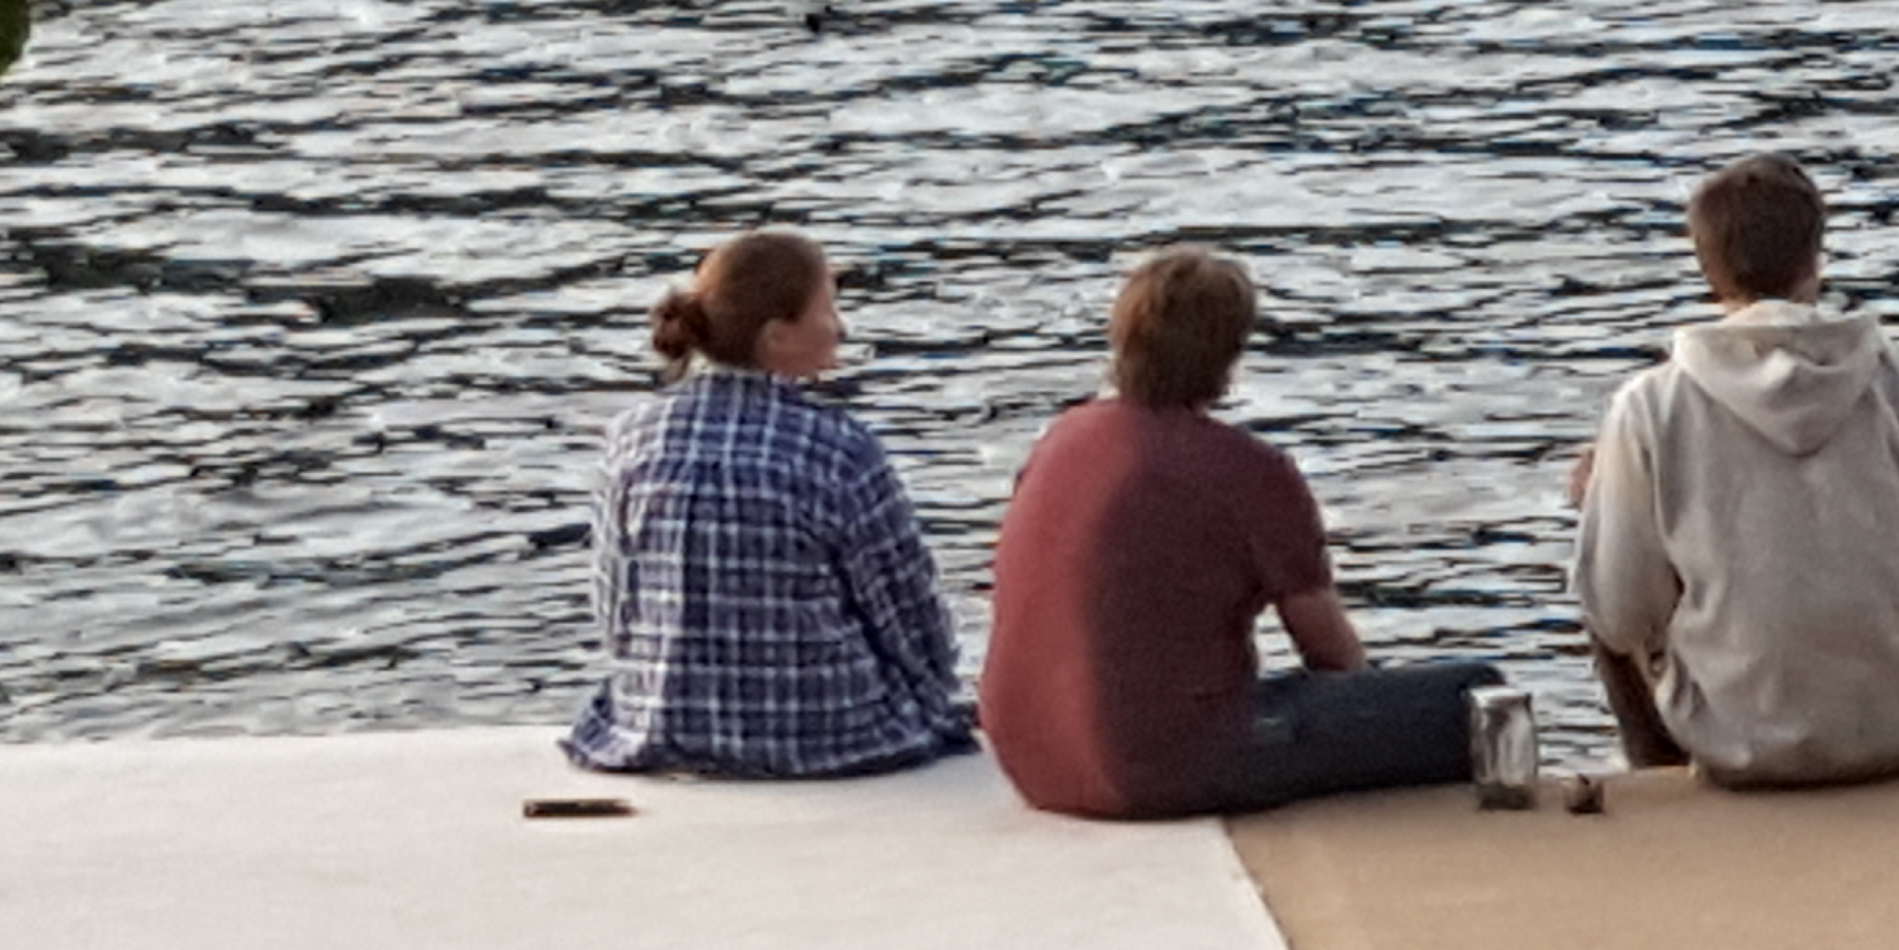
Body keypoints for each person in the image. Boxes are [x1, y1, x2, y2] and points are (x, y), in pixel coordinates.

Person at [979, 246, 1501, 820]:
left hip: (1033, 757)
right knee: (1475, 696)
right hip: (1157, 766)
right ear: (1228, 354)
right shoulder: (1249, 471)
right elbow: (1330, 652)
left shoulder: (1063, 439)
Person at [1572, 154, 1899, 787]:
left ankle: (1655, 772)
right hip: (1896, 731)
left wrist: (1606, 498)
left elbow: (1620, 613)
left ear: (1706, 269)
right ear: (1815, 258)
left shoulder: (1650, 405)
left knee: (1606, 550)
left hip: (1736, 743)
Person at [563, 227, 973, 778]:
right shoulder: (839, 448)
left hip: (660, 727)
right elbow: (908, 615)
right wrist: (939, 699)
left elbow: (615, 606)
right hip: (828, 732)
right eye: (828, 308)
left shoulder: (631, 436)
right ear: (777, 336)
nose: (842, 327)